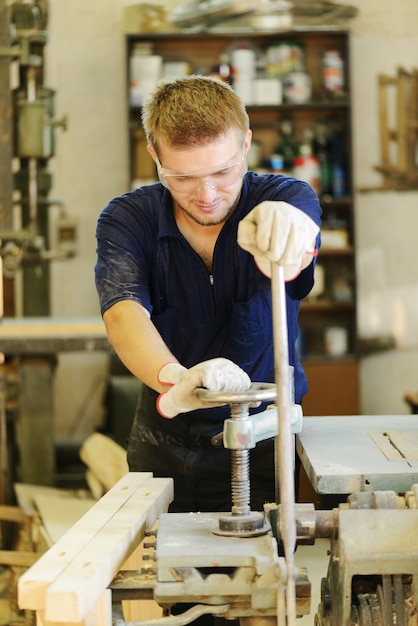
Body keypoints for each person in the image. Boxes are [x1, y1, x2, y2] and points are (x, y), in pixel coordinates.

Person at [94, 75, 321, 515]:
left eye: (223, 171)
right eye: (182, 177)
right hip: (164, 435)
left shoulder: (286, 197)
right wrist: (175, 379)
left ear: (246, 145)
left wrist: (290, 227)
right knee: (160, 568)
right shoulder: (128, 219)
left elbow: (296, 251)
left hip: (264, 436)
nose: (206, 194)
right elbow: (123, 312)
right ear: (154, 155)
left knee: (262, 570)